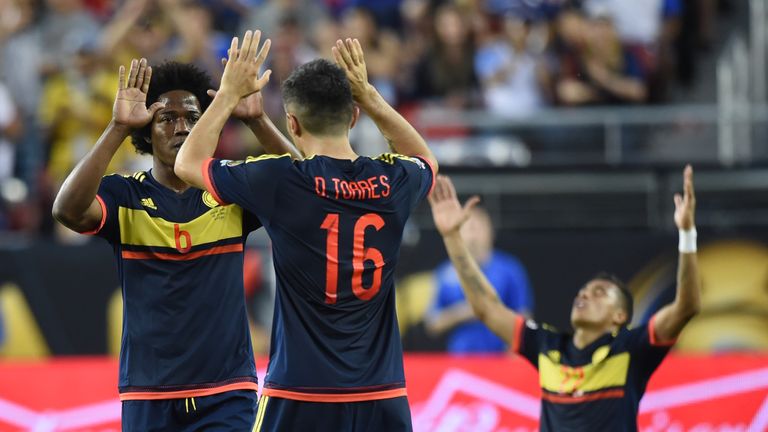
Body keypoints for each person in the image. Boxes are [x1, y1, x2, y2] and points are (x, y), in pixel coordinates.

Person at [175, 32, 437, 431]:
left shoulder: (281, 181)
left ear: (292, 124)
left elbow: (188, 163)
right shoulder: (391, 181)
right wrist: (369, 95)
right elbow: (426, 160)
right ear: (353, 117)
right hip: (381, 395)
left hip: (300, 393)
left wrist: (228, 94)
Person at [52, 55, 300, 430]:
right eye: (167, 119)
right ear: (147, 131)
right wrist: (117, 127)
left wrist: (258, 120)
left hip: (227, 392)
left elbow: (306, 189)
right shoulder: (124, 195)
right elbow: (66, 210)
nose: (181, 128)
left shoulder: (228, 188)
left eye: (192, 118)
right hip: (149, 392)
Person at [427, 167, 700, 431]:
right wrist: (452, 237)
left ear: (619, 317)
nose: (585, 295)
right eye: (583, 291)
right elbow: (487, 308)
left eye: (599, 293)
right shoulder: (548, 346)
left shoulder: (631, 350)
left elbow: (686, 308)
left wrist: (687, 235)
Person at [426, 204, 533, 353]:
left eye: (478, 227)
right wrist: (464, 312)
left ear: (490, 231)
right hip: (460, 361)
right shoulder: (445, 272)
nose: (473, 234)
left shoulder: (510, 269)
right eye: (468, 227)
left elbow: (524, 315)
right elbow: (432, 323)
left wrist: (513, 353)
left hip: (500, 360)